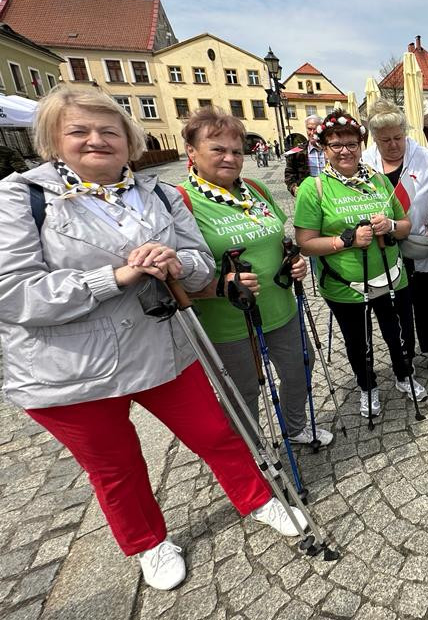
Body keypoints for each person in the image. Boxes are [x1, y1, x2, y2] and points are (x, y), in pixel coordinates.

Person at [0, 86, 305, 592]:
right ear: (54, 138)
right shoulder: (21, 196)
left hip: (159, 346)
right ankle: (147, 543)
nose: (96, 140)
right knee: (116, 467)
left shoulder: (156, 193)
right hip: (68, 367)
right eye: (79, 131)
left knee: (215, 432)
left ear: (129, 139)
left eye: (109, 131)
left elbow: (198, 261)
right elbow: (11, 293)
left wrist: (177, 263)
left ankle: (258, 498)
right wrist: (113, 278)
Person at [179, 106, 332, 447]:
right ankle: (251, 450)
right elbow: (178, 277)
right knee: (243, 389)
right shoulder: (182, 202)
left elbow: (280, 238)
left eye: (236, 150)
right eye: (217, 149)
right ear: (192, 151)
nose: (229, 158)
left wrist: (291, 261)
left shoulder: (255, 189)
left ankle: (295, 427)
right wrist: (220, 286)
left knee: (299, 368)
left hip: (281, 307)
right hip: (228, 323)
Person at [294, 110, 423, 418]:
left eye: (351, 143)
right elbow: (306, 243)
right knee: (357, 340)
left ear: (362, 145)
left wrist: (389, 225)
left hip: (392, 277)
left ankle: (404, 375)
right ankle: (367, 386)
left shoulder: (378, 180)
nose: (345, 151)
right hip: (345, 284)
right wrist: (344, 241)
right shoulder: (315, 188)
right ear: (324, 148)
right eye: (336, 144)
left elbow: (405, 226)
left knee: (399, 333)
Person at [362, 100, 428, 368]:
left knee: (426, 299)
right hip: (384, 247)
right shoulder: (365, 162)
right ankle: (403, 350)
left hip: (421, 242)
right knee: (395, 304)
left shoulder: (426, 159)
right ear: (374, 138)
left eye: (398, 137)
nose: (393, 144)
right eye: (385, 140)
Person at [284, 114, 326, 196]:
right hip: (308, 194)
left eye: (316, 129)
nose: (312, 133)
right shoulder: (297, 151)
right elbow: (289, 174)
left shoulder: (331, 149)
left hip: (330, 192)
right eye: (309, 129)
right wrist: (293, 188)